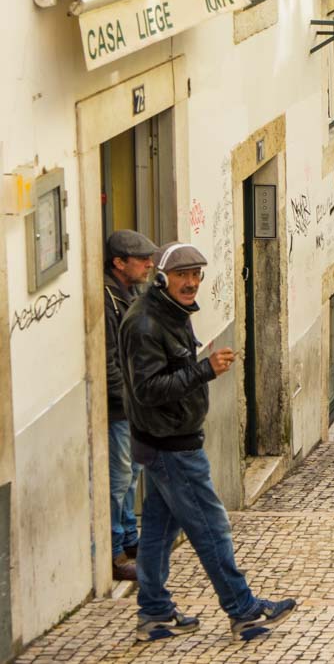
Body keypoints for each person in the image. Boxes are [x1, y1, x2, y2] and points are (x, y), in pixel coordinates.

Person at [121, 242, 296, 642]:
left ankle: (155, 614)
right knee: (211, 528)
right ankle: (245, 612)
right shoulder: (146, 323)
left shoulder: (169, 312)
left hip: (166, 441)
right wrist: (204, 371)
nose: (192, 282)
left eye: (197, 274)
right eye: (183, 274)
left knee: (157, 534)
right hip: (172, 447)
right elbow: (148, 389)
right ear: (163, 278)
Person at [104, 229, 158, 583]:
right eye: (142, 260)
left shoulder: (128, 295)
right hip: (121, 407)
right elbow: (109, 365)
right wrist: (136, 396)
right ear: (119, 263)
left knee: (132, 474)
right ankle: (114, 552)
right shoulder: (107, 300)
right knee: (120, 477)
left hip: (132, 406)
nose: (150, 265)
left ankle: (129, 537)